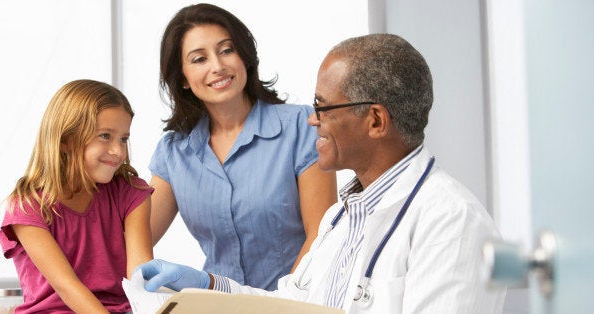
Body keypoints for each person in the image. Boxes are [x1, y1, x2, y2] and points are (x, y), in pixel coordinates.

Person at [137, 33, 507, 313]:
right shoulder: (340, 217)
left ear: (375, 120)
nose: (312, 120)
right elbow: (291, 304)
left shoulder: (451, 221)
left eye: (324, 107)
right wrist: (208, 286)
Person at [148, 3, 338, 290]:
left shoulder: (301, 127)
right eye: (199, 59)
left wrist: (281, 307)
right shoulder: (174, 152)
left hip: (294, 304)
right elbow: (135, 240)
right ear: (183, 78)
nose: (218, 66)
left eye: (227, 50)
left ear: (245, 56)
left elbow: (321, 237)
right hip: (216, 304)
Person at [0, 79, 154, 313]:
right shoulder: (28, 206)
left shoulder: (132, 193)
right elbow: (67, 286)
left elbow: (140, 277)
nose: (118, 151)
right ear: (65, 141)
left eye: (123, 139)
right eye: (105, 136)